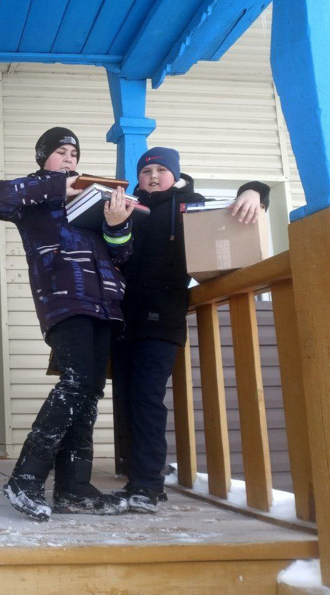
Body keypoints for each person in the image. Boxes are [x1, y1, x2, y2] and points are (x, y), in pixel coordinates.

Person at [0, 127, 134, 521]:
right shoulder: (36, 195)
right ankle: (26, 477)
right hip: (65, 298)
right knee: (74, 383)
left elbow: (122, 256)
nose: (70, 159)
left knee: (89, 392)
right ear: (44, 158)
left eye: (74, 154)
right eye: (61, 152)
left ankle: (73, 488)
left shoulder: (91, 198)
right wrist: (57, 185)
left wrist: (118, 225)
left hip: (105, 304)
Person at [112, 146, 270, 513]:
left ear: (175, 173)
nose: (152, 175)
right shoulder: (128, 208)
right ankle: (142, 471)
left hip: (162, 317)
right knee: (127, 399)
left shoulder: (190, 204)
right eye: (146, 170)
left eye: (160, 170)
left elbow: (236, 211)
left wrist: (253, 191)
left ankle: (148, 487)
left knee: (147, 398)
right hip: (122, 319)